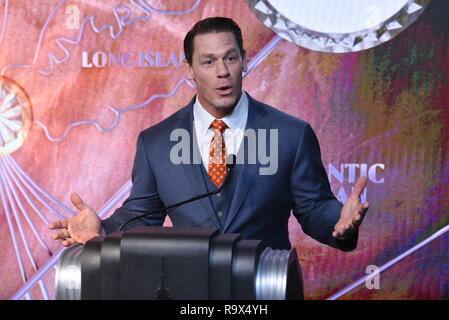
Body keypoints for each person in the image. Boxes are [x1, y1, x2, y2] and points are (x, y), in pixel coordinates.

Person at [49, 17, 369, 251]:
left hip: (266, 289)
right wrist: (102, 229)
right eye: (209, 61)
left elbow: (314, 207)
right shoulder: (156, 143)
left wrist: (338, 224)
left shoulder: (291, 134)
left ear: (243, 60)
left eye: (230, 58)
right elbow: (141, 215)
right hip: (189, 294)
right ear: (189, 70)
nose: (222, 71)